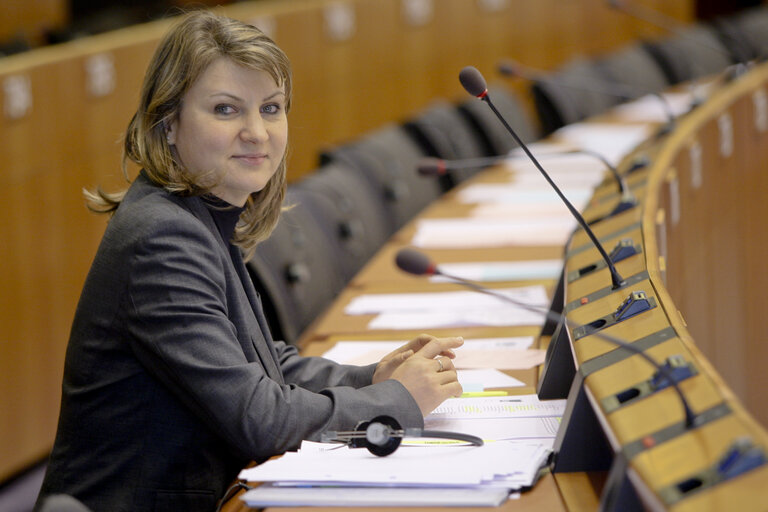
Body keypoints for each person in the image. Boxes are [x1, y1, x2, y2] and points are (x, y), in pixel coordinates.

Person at [35, 10, 463, 512]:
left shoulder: (196, 210)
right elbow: (261, 419)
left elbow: (261, 362)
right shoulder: (163, 237)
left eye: (271, 108)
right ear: (168, 124)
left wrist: (370, 378)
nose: (257, 132)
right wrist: (397, 401)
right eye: (225, 109)